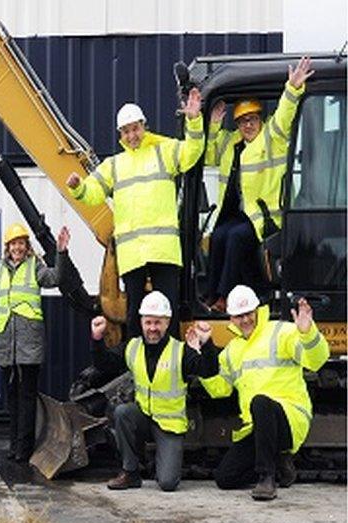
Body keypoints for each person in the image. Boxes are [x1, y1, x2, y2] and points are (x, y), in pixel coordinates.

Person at [66, 89, 205, 337]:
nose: (132, 135)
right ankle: (136, 365)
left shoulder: (164, 151)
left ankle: (169, 364)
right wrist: (79, 188)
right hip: (133, 255)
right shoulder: (114, 165)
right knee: (134, 315)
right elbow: (94, 192)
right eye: (126, 131)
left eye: (135, 128)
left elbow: (192, 152)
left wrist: (194, 120)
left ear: (144, 126)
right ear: (121, 134)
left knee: (167, 311)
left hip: (163, 251)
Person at [203, 57, 314, 311]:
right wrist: (214, 123)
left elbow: (284, 117)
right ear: (237, 124)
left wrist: (292, 89)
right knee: (219, 235)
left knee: (235, 237)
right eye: (243, 121)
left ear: (260, 118)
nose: (248, 125)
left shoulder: (271, 138)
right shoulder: (231, 143)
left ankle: (224, 296)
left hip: (266, 217)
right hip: (240, 214)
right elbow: (208, 153)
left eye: (253, 119)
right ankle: (210, 295)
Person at [0, 224, 74, 464]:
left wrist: (61, 253)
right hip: (5, 343)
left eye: (21, 243)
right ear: (8, 247)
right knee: (12, 397)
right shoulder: (0, 270)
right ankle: (14, 444)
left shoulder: (36, 266)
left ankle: (25, 447)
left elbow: (56, 278)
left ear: (27, 246)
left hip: (29, 342)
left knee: (27, 396)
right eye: (13, 244)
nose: (17, 248)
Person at [201, 285, 329, 500]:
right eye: (239, 316)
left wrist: (307, 333)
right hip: (258, 429)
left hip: (289, 418)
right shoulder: (232, 350)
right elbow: (218, 389)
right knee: (225, 478)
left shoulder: (282, 332)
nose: (245, 320)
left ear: (258, 310)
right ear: (231, 318)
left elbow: (316, 360)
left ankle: (266, 479)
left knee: (261, 402)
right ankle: (280, 464)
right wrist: (206, 350)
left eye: (249, 313)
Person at [90, 291, 219, 491]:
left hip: (169, 425)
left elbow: (209, 370)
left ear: (167, 323)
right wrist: (97, 338)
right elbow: (105, 364)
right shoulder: (132, 347)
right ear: (141, 322)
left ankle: (160, 464)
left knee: (167, 483)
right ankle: (130, 472)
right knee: (122, 412)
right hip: (143, 417)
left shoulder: (180, 351)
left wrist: (207, 343)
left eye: (158, 323)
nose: (152, 328)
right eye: (148, 322)